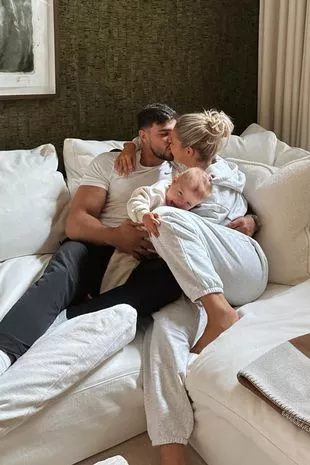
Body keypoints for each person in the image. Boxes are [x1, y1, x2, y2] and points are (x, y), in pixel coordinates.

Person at [114, 109, 268, 465]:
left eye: (174, 140)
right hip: (200, 282)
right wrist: (127, 147)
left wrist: (253, 220)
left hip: (244, 267)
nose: (168, 143)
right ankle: (172, 452)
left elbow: (244, 217)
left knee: (168, 217)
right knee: (162, 336)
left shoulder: (221, 176)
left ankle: (221, 314)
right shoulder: (176, 175)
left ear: (185, 150)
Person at [0, 103, 183, 375]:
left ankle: (68, 320)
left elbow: (225, 180)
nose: (173, 140)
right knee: (63, 269)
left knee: (169, 281)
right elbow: (76, 222)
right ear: (142, 136)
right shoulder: (110, 163)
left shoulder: (183, 165)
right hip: (97, 243)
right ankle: (5, 351)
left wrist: (252, 220)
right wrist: (115, 236)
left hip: (148, 254)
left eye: (175, 133)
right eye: (164, 134)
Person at [100, 167, 213, 292]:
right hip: (135, 245)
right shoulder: (156, 193)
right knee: (119, 272)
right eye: (180, 193)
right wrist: (144, 215)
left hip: (158, 256)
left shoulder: (184, 214)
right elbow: (136, 201)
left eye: (188, 203)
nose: (180, 202)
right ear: (174, 181)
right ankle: (105, 296)